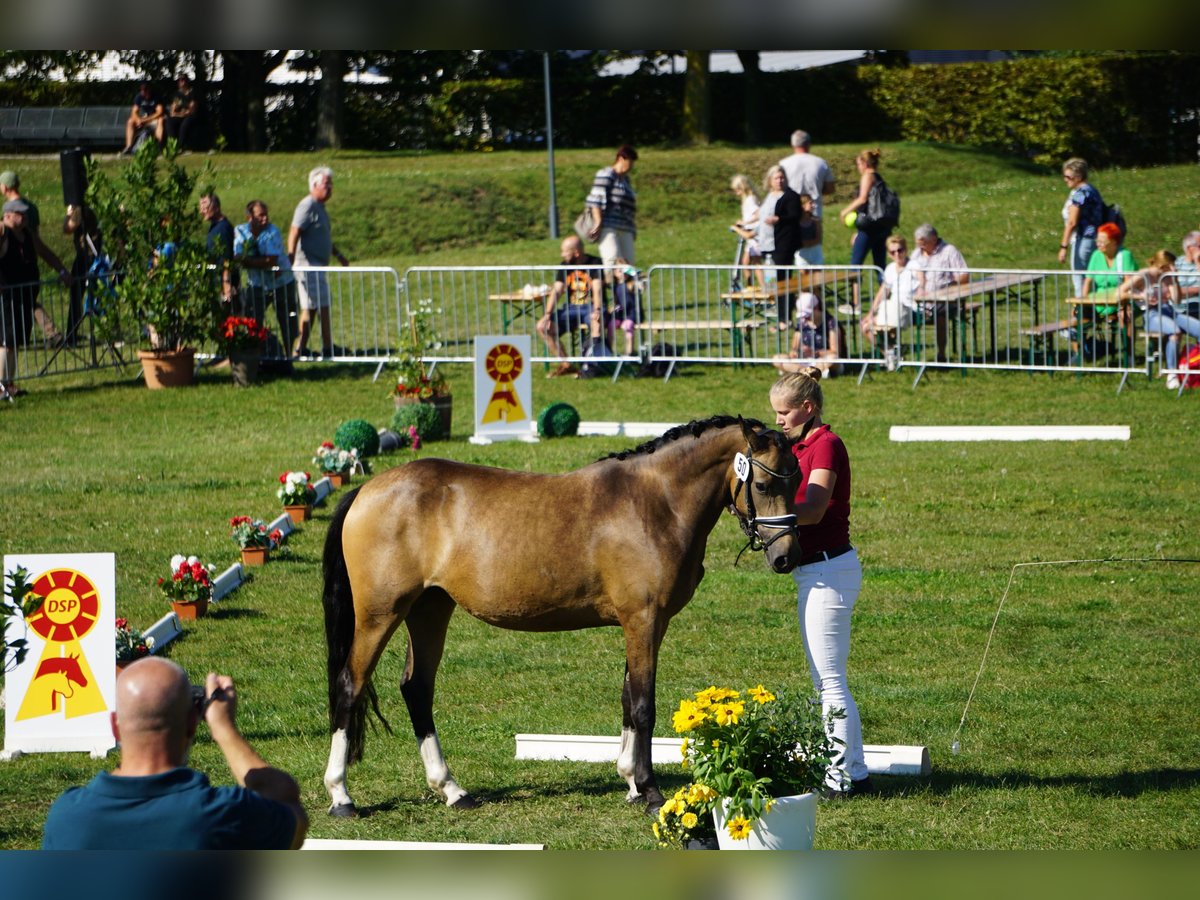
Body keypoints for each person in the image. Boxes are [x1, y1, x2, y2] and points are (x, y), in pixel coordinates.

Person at [42, 658, 307, 849]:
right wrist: (224, 728)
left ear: (115, 726)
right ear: (193, 723)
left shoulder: (66, 817)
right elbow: (289, 808)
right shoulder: (223, 813)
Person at [768, 368, 871, 799]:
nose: (779, 421)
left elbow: (812, 508)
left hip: (830, 570)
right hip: (815, 571)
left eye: (785, 412)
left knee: (830, 681)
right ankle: (856, 770)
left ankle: (840, 779)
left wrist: (769, 508)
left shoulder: (825, 444)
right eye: (775, 413)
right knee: (826, 680)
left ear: (808, 408)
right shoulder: (795, 445)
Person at [0, 170, 71, 344]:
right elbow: (43, 251)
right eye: (21, 214)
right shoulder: (29, 209)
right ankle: (52, 333)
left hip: (23, 285)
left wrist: (62, 270)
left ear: (5, 187)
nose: (24, 216)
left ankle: (53, 333)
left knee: (14, 342)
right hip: (17, 285)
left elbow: (43, 249)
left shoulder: (23, 232)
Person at [288, 166, 349, 359]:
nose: (330, 187)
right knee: (322, 305)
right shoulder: (307, 205)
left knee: (312, 308)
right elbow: (294, 231)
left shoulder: (319, 208)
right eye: (326, 184)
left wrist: (338, 255)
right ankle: (327, 346)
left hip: (317, 266)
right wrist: (289, 258)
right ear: (314, 185)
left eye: (331, 184)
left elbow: (322, 236)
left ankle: (301, 348)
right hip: (307, 266)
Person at [1118, 250, 1200, 390]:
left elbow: (1177, 300)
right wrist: (1142, 297)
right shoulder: (1143, 275)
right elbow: (1120, 292)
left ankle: (1195, 367)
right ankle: (1171, 374)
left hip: (1169, 311)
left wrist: (1175, 279)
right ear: (1163, 266)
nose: (1174, 269)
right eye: (1172, 266)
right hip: (1151, 314)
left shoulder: (1167, 277)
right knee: (1174, 332)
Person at [235, 199, 299, 358]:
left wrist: (248, 261)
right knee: (253, 320)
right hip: (256, 284)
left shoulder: (273, 231)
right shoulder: (240, 231)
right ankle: (257, 357)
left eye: (266, 215)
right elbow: (237, 256)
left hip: (282, 282)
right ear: (249, 217)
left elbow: (271, 260)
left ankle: (289, 356)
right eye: (260, 215)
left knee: (287, 321)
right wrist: (257, 262)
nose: (265, 219)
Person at [536, 235, 604, 378]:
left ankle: (592, 366)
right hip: (571, 309)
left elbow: (597, 289)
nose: (562, 255)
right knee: (543, 327)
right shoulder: (564, 266)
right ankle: (566, 364)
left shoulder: (595, 263)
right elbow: (557, 291)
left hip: (590, 307)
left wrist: (597, 310)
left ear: (576, 253)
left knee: (596, 323)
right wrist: (547, 314)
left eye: (565, 252)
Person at [908, 223, 969, 363]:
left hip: (945, 300)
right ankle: (893, 354)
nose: (920, 247)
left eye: (924, 244)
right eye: (918, 244)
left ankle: (941, 353)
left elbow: (964, 275)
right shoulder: (916, 253)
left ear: (934, 239)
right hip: (918, 299)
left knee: (941, 312)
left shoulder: (949, 251)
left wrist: (950, 287)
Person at [1077, 221, 1135, 363]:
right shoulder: (1096, 255)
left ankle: (1129, 355)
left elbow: (1129, 283)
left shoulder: (1124, 256)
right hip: (1099, 300)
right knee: (1078, 314)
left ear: (1114, 242)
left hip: (1122, 299)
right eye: (1098, 240)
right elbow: (1088, 281)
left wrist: (1124, 302)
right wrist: (1083, 299)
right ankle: (1080, 354)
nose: (1098, 243)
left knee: (1125, 316)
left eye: (1103, 241)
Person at [860, 234, 920, 371]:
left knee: (888, 323)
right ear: (889, 253)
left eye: (900, 250)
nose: (897, 254)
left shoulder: (914, 265)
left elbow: (923, 284)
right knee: (865, 326)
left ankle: (893, 353)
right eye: (893, 252)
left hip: (909, 307)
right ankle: (890, 353)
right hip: (891, 308)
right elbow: (883, 292)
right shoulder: (889, 269)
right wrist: (871, 313)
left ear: (906, 249)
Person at [759, 165, 802, 328]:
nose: (779, 180)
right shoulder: (770, 196)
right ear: (770, 180)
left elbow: (794, 216)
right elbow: (762, 214)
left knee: (783, 280)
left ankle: (785, 317)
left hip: (783, 244)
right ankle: (776, 313)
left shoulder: (791, 196)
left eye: (782, 177)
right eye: (776, 178)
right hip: (767, 243)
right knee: (771, 280)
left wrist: (779, 219)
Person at [1057, 157, 1106, 295]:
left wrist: (1063, 247)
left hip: (1084, 240)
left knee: (1080, 280)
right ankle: (1094, 314)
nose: (1065, 179)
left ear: (1078, 177)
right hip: (1096, 239)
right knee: (1092, 280)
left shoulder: (1080, 194)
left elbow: (1072, 222)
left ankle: (1082, 314)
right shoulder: (1092, 190)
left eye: (1067, 176)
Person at [839, 148, 892, 275]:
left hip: (869, 229)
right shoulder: (879, 178)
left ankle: (855, 295)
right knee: (880, 266)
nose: (858, 168)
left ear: (865, 163)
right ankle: (886, 293)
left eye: (858, 164)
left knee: (855, 266)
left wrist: (844, 212)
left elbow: (862, 199)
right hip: (882, 227)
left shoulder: (867, 176)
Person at [585, 144, 638, 267]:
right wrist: (598, 222)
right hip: (609, 226)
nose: (632, 166)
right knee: (613, 262)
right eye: (630, 162)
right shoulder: (606, 174)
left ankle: (627, 286)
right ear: (621, 159)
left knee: (629, 266)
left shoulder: (626, 180)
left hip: (625, 227)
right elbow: (595, 199)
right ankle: (612, 284)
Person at [772, 291, 842, 378]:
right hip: (803, 360)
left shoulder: (831, 322)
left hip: (822, 359)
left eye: (808, 315)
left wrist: (815, 353)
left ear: (816, 308)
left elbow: (835, 351)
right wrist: (796, 353)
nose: (805, 318)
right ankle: (807, 372)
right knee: (777, 358)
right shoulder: (802, 322)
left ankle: (799, 371)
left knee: (833, 358)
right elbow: (794, 349)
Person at [63, 202, 103, 343]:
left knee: (78, 297)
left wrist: (68, 214)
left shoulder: (80, 210)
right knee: (97, 295)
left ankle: (72, 335)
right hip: (93, 257)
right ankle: (103, 331)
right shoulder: (91, 207)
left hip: (86, 258)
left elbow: (67, 228)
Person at [778, 129, 836, 223]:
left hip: (790, 211)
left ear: (792, 145)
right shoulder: (821, 163)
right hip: (814, 210)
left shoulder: (783, 164)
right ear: (809, 144)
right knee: (813, 237)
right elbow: (830, 188)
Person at [200, 192, 236, 306]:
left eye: (205, 207)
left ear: (216, 207)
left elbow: (226, 257)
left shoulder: (223, 229)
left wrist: (226, 282)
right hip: (216, 282)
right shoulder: (215, 227)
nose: (202, 211)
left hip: (224, 284)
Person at [729, 174, 764, 290]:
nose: (736, 192)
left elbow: (759, 214)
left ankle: (764, 288)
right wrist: (744, 222)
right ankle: (750, 287)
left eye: (737, 189)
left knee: (756, 264)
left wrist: (745, 223)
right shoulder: (748, 200)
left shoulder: (750, 199)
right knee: (745, 262)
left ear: (743, 187)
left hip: (754, 235)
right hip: (750, 235)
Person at [122, 82, 164, 154]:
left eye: (145, 89)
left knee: (161, 120)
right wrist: (138, 120)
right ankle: (129, 146)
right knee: (130, 121)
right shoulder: (139, 97)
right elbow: (134, 112)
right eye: (141, 89)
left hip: (154, 118)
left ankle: (159, 146)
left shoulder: (156, 97)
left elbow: (159, 112)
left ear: (149, 90)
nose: (143, 91)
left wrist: (144, 120)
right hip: (145, 118)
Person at [164, 75, 199, 150]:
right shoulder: (177, 94)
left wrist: (182, 110)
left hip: (190, 116)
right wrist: (182, 111)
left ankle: (180, 146)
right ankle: (172, 145)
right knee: (169, 122)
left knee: (184, 125)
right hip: (180, 115)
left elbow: (192, 109)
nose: (182, 82)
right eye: (180, 80)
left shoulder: (192, 93)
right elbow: (173, 110)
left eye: (183, 80)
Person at [795, 193, 824, 267]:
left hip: (815, 252)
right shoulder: (795, 222)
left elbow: (819, 239)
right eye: (810, 203)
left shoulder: (816, 221)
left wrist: (806, 244)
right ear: (803, 205)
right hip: (801, 253)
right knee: (803, 277)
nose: (813, 205)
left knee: (817, 276)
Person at [1175, 231, 1200, 316]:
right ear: (1190, 248)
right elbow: (1168, 289)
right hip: (1177, 308)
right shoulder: (1176, 263)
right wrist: (1196, 290)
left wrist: (1198, 262)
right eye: (1199, 246)